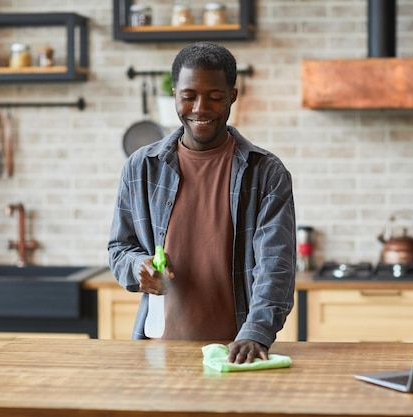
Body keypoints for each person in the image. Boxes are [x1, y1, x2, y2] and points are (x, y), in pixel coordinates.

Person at [108, 42, 296, 364]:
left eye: (215, 96)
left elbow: (275, 268)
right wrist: (137, 267)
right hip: (157, 350)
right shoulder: (141, 167)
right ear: (174, 94)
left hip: (236, 351)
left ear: (232, 96)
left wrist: (256, 333)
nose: (200, 108)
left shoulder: (266, 173)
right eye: (189, 96)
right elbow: (120, 248)